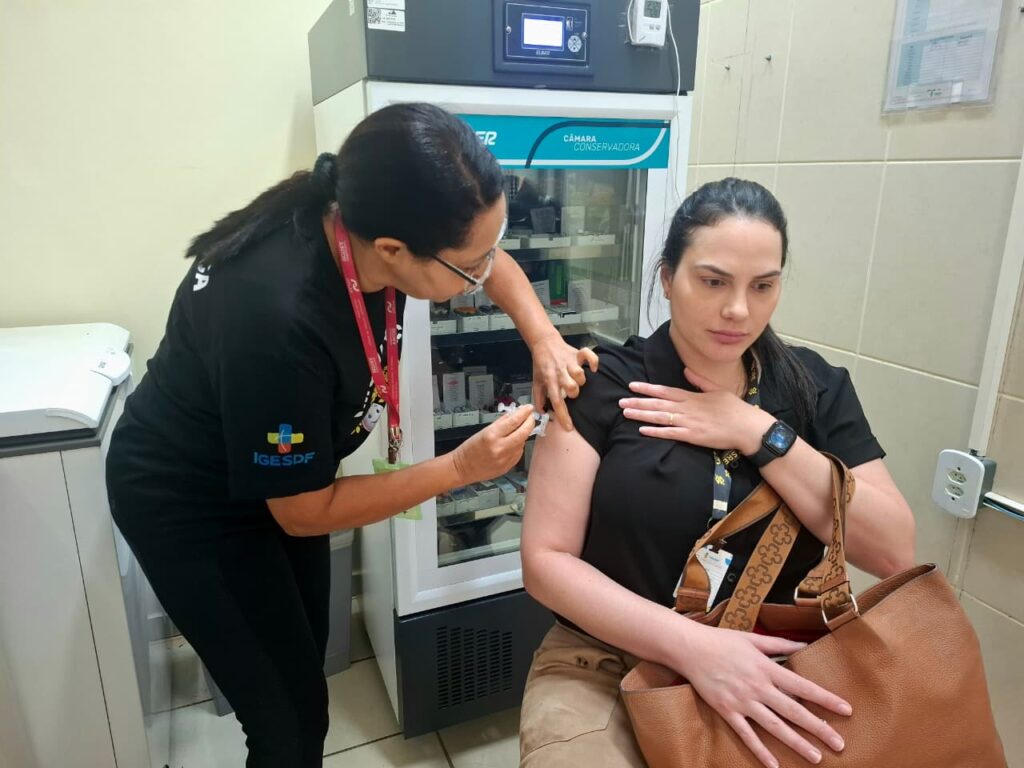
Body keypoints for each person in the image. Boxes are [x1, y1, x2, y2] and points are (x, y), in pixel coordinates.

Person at [105, 102, 597, 768]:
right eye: (469, 267)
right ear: (393, 250)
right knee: (288, 724)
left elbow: (489, 261)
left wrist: (544, 340)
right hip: (189, 503)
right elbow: (304, 513)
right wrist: (460, 468)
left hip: (278, 483)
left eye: (489, 249)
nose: (483, 274)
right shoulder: (277, 318)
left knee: (304, 665)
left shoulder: (367, 225)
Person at [518, 178, 916, 768]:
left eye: (763, 286)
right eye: (712, 281)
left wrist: (757, 432)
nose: (738, 310)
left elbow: (891, 551)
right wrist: (695, 647)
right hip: (608, 658)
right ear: (666, 278)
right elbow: (545, 562)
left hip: (779, 658)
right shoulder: (602, 383)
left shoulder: (815, 389)